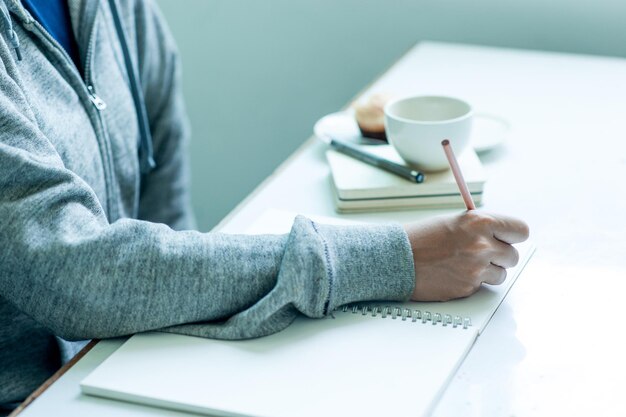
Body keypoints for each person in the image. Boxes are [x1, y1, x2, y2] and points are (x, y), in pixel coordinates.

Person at [0, 0, 529, 413]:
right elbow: (72, 272)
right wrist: (400, 258)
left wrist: (180, 333)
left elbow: (165, 201)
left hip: (120, 364)